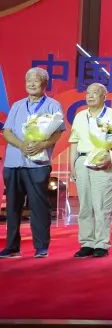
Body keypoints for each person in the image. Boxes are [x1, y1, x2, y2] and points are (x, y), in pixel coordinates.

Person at [0, 67, 65, 258]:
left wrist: (42, 144)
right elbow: (7, 131)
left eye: (36, 80)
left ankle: (41, 246)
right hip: (14, 162)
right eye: (28, 80)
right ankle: (12, 247)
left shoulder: (53, 105)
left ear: (44, 84)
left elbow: (58, 132)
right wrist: (21, 145)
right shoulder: (17, 105)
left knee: (39, 205)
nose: (31, 84)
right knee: (12, 206)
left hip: (38, 164)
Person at [69, 83, 112, 258]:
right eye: (88, 93)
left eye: (95, 93)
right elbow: (74, 142)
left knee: (101, 205)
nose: (90, 96)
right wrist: (72, 165)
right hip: (82, 161)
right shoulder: (80, 116)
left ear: (104, 96)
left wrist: (110, 156)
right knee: (85, 205)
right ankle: (87, 242)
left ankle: (101, 243)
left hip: (104, 161)